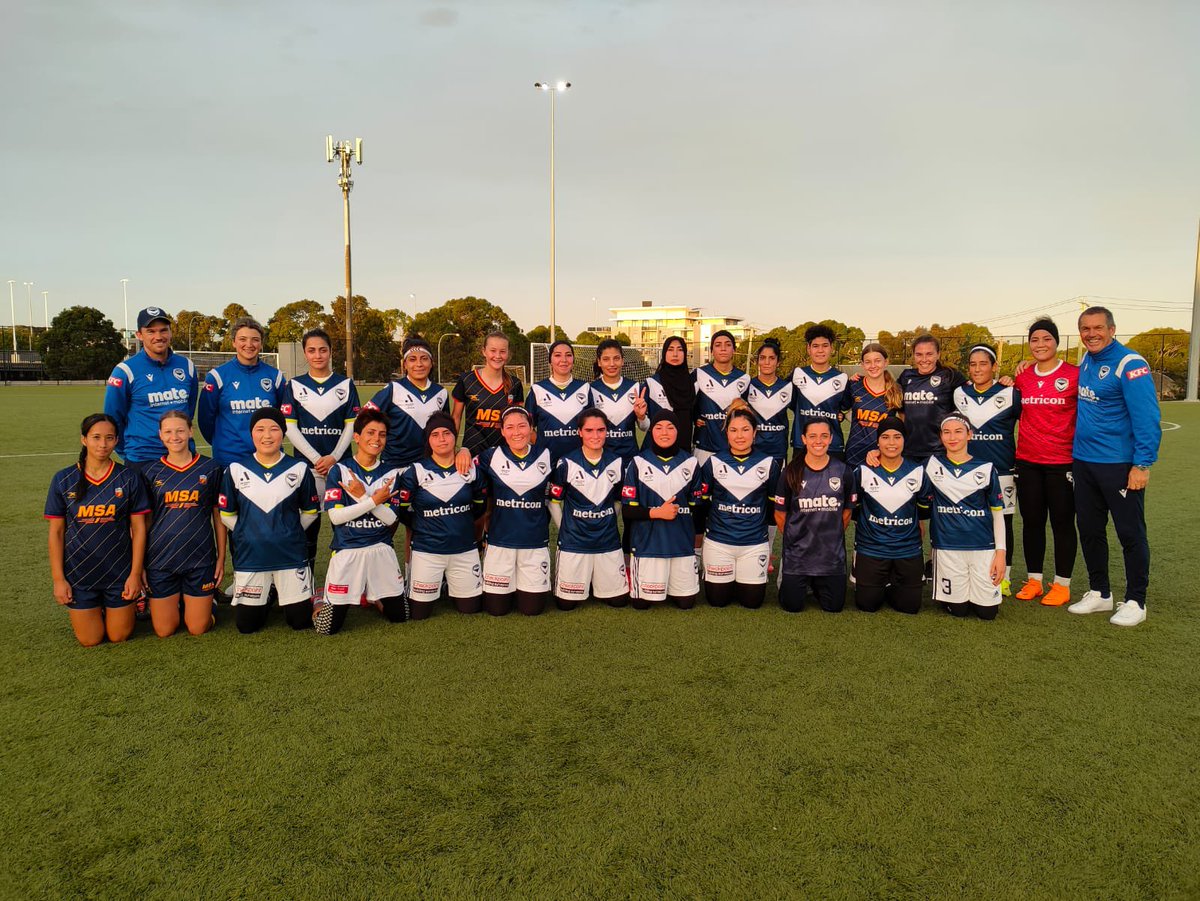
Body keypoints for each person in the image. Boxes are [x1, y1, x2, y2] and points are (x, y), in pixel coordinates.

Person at [1065, 306, 1161, 627]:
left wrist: (1142, 464)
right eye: (1085, 329)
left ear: (1112, 329)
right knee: (1090, 530)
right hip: (1084, 463)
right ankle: (1100, 593)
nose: (1091, 334)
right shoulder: (1087, 360)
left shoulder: (1130, 364)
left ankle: (1136, 600)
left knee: (1130, 533)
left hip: (1118, 465)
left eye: (1098, 328)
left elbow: (1147, 418)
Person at [46, 414, 151, 646]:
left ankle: (126, 603)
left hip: (119, 573)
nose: (102, 444)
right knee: (90, 640)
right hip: (80, 575)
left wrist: (135, 575)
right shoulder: (64, 479)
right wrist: (58, 579)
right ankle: (97, 608)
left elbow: (139, 529)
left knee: (119, 636)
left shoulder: (128, 477)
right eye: (96, 437)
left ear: (116, 441)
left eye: (109, 438)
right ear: (84, 439)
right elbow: (56, 532)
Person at [218, 408, 320, 634]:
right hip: (251, 557)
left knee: (299, 622)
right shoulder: (235, 470)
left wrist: (288, 531)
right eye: (260, 429)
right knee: (247, 626)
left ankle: (286, 592)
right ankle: (269, 593)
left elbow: (311, 512)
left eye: (274, 429)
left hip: (290, 555)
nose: (267, 435)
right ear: (251, 434)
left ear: (282, 434)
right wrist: (248, 532)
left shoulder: (300, 468)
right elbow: (226, 514)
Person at [315, 409, 407, 635]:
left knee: (400, 617)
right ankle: (319, 599)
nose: (376, 439)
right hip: (348, 549)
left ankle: (374, 597)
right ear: (357, 437)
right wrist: (375, 500)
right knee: (328, 628)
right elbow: (336, 517)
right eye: (370, 433)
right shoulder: (340, 470)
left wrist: (363, 496)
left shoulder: (392, 473)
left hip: (380, 550)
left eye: (382, 434)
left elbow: (391, 518)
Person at [1011, 318, 1078, 606]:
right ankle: (1035, 580)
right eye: (1035, 340)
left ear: (1056, 342)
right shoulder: (1023, 376)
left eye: (1046, 339)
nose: (1040, 344)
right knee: (1032, 522)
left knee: (1062, 523)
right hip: (1027, 461)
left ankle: (1062, 585)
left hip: (1062, 462)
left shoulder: (1074, 375)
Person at [139, 411, 224, 637]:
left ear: (190, 431)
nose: (174, 436)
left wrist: (221, 558)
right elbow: (144, 522)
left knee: (197, 628)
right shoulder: (149, 471)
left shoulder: (211, 468)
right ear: (160, 435)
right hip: (161, 558)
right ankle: (180, 600)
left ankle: (208, 602)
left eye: (179, 430)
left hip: (200, 557)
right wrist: (141, 565)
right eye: (168, 431)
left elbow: (218, 516)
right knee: (164, 630)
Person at [281, 328, 359, 572]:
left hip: (340, 468)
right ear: (305, 353)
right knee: (308, 527)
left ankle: (344, 582)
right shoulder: (294, 386)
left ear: (331, 352)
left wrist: (334, 458)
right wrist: (317, 460)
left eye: (323, 350)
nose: (317, 355)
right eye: (312, 350)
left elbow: (351, 426)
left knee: (344, 528)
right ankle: (306, 583)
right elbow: (290, 428)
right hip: (307, 469)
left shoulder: (345, 385)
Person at [398, 412, 487, 618]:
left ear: (455, 436)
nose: (442, 439)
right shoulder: (416, 471)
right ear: (428, 440)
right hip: (427, 551)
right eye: (435, 435)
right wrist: (424, 526)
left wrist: (458, 524)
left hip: (464, 550)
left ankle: (449, 583)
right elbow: (402, 512)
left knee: (471, 609)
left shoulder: (471, 469)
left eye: (447, 433)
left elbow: (480, 508)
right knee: (419, 614)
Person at [698, 401, 780, 609]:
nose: (739, 436)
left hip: (753, 544)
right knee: (718, 601)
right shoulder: (714, 463)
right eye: (733, 430)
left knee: (752, 602)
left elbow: (772, 510)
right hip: (719, 542)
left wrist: (766, 546)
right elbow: (702, 506)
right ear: (726, 433)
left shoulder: (769, 464)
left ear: (755, 433)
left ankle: (744, 573)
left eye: (745, 430)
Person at [924, 412, 1005, 620]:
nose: (952, 437)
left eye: (958, 432)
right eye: (947, 432)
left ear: (970, 435)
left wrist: (1001, 554)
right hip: (947, 547)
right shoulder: (931, 466)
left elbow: (998, 514)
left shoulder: (986, 468)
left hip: (982, 547)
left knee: (987, 613)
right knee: (959, 611)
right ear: (941, 436)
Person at [954, 344, 1020, 596]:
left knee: (1003, 523)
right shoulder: (959, 392)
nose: (978, 368)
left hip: (1002, 470)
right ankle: (967, 572)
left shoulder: (1011, 393)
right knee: (969, 519)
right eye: (973, 364)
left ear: (994, 366)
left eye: (983, 363)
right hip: (967, 470)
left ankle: (1005, 577)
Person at [476, 406, 554, 616]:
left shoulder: (546, 455)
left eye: (522, 426)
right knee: (496, 610)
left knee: (532, 610)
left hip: (534, 542)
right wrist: (464, 451)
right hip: (501, 542)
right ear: (502, 431)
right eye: (509, 427)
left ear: (531, 428)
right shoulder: (490, 456)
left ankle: (525, 582)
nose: (516, 432)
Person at [549, 408, 629, 609]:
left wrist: (609, 519)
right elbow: (553, 501)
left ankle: (597, 581)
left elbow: (619, 500)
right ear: (580, 432)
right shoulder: (566, 463)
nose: (596, 435)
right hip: (574, 542)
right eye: (590, 430)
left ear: (607, 432)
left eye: (601, 430)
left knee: (618, 601)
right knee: (566, 605)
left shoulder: (617, 463)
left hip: (607, 540)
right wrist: (564, 528)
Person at [622, 411, 702, 609]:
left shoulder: (690, 463)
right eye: (658, 427)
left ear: (678, 431)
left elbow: (698, 510)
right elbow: (627, 512)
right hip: (647, 545)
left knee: (686, 603)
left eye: (670, 427)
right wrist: (657, 512)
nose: (664, 432)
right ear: (651, 431)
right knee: (641, 604)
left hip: (680, 545)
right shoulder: (638, 463)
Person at [774, 419, 854, 613]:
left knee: (834, 607)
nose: (818, 441)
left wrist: (829, 535)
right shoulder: (790, 472)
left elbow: (846, 513)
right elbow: (779, 514)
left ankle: (817, 583)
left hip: (830, 557)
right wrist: (796, 537)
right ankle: (800, 580)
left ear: (831, 438)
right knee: (792, 606)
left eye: (824, 436)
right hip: (798, 558)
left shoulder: (843, 471)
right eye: (813, 436)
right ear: (803, 439)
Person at [103, 307, 198, 467]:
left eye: (163, 330)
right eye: (151, 331)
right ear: (139, 335)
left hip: (183, 457)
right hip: (143, 459)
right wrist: (128, 451)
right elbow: (113, 419)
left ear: (170, 332)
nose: (158, 337)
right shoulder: (125, 371)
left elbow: (189, 410)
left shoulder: (187, 366)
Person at [850, 416, 926, 615]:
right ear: (877, 441)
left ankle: (893, 579)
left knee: (909, 607)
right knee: (867, 605)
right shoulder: (863, 471)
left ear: (904, 440)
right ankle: (881, 579)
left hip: (907, 549)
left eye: (897, 437)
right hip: (872, 549)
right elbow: (854, 509)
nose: (891, 443)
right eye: (885, 437)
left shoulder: (917, 471)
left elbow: (922, 510)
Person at [197, 317, 286, 467]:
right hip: (229, 460)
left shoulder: (275, 376)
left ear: (261, 343)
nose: (249, 345)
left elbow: (283, 417)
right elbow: (205, 420)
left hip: (268, 458)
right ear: (234, 342)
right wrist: (224, 443)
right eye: (243, 339)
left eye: (255, 340)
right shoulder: (218, 376)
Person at [365, 337, 452, 470]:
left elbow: (445, 429)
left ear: (431, 362)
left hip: (428, 466)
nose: (419, 364)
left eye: (424, 358)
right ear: (404, 364)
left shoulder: (441, 393)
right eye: (412, 359)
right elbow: (364, 417)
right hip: (394, 465)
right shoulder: (394, 389)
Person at [451, 331, 525, 459]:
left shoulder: (515, 384)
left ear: (508, 354)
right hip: (471, 453)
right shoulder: (466, 380)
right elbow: (456, 418)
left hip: (504, 454)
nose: (497, 356)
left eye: (502, 351)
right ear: (484, 351)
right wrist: (452, 451)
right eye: (493, 350)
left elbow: (520, 422)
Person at [896, 335, 966, 465]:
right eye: (919, 354)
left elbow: (977, 388)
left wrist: (1001, 382)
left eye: (929, 354)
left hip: (940, 451)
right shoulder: (906, 376)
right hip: (909, 451)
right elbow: (900, 409)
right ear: (913, 355)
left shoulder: (949, 375)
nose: (924, 359)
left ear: (938, 354)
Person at [790, 325, 850, 460]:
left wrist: (840, 414)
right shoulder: (797, 374)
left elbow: (845, 407)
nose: (820, 350)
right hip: (802, 444)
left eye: (825, 345)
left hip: (832, 445)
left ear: (832, 348)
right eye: (815, 346)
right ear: (808, 349)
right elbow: (790, 402)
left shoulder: (842, 378)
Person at [525, 340, 590, 462]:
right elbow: (527, 426)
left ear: (573, 360)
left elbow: (592, 425)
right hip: (546, 461)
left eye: (568, 355)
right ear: (550, 360)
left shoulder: (585, 388)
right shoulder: (537, 389)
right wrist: (541, 446)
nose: (564, 360)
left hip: (579, 461)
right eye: (557, 355)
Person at [843, 342, 904, 469]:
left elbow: (903, 426)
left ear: (886, 362)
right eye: (868, 362)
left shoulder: (896, 390)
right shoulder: (854, 385)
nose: (873, 366)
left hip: (882, 456)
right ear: (862, 364)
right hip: (854, 454)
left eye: (877, 361)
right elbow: (841, 409)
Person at [693, 330, 750, 464]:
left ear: (734, 350)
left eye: (728, 344)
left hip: (733, 448)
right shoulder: (699, 374)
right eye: (718, 345)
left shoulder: (744, 378)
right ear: (712, 350)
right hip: (704, 448)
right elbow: (686, 403)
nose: (723, 348)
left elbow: (748, 413)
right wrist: (694, 416)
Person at [589, 338, 647, 468]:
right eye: (606, 359)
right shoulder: (591, 389)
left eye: (616, 358)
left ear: (622, 360)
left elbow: (644, 427)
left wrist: (641, 416)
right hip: (601, 459)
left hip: (629, 458)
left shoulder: (635, 387)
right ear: (599, 362)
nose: (611, 364)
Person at [640, 336, 697, 452]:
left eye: (680, 350)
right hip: (654, 452)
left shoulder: (694, 383)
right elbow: (643, 426)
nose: (675, 354)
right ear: (664, 353)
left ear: (685, 354)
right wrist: (640, 417)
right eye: (670, 349)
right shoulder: (652, 383)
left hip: (683, 451)